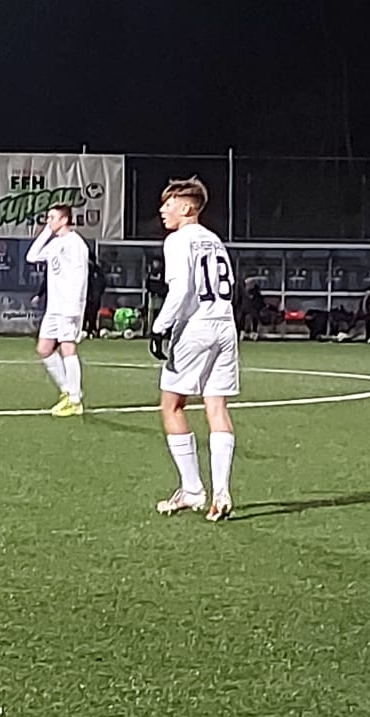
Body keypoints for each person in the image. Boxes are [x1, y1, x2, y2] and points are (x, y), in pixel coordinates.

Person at [150, 177, 238, 522]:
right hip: (225, 325)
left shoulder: (177, 240)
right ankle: (222, 492)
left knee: (172, 405)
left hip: (196, 328)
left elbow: (181, 289)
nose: (163, 210)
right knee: (216, 405)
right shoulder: (214, 239)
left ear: (187, 207)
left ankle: (191, 490)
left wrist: (159, 326)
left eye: (169, 203)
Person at [25, 204, 90, 417]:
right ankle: (66, 390)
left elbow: (80, 276)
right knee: (44, 348)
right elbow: (31, 256)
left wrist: (75, 306)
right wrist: (46, 231)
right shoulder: (55, 243)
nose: (48, 221)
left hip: (69, 305)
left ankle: (75, 400)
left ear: (64, 219)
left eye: (52, 217)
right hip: (54, 306)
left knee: (68, 348)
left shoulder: (75, 243)